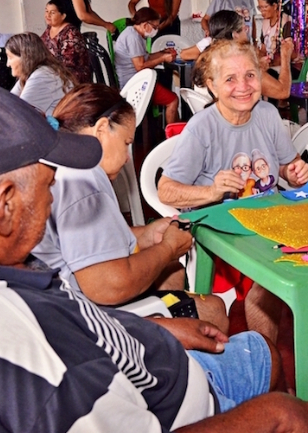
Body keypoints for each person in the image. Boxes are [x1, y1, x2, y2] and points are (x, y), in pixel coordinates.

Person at [0, 75, 308, 433]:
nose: (54, 199)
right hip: (167, 407)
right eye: (48, 185)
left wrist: (151, 329)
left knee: (254, 350)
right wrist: (270, 417)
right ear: (4, 206)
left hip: (141, 357)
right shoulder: (40, 366)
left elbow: (75, 311)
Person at [32, 84, 228, 332]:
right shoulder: (83, 177)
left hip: (51, 300)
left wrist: (145, 234)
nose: (127, 157)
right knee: (214, 309)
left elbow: (87, 242)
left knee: (171, 270)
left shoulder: (62, 158)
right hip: (80, 318)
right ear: (102, 129)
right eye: (126, 143)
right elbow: (108, 286)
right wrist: (168, 248)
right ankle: (165, 348)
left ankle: (167, 344)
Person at [157, 40, 308, 346]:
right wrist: (213, 191)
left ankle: (302, 360)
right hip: (222, 232)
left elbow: (284, 164)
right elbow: (166, 191)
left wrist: (293, 173)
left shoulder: (267, 114)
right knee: (269, 284)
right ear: (212, 87)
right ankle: (268, 368)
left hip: (269, 222)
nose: (243, 86)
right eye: (230, 79)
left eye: (251, 76)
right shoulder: (201, 128)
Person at [184, 10, 294, 100]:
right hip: (238, 123)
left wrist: (258, 67)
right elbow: (283, 92)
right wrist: (285, 56)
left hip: (214, 121)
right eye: (243, 28)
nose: (247, 31)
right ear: (235, 35)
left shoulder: (207, 57)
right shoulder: (242, 63)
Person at [115, 7, 180, 124]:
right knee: (173, 100)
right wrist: (163, 58)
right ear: (145, 25)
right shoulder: (133, 38)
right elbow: (140, 66)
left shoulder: (134, 33)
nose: (156, 30)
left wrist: (162, 52)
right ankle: (173, 138)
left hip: (137, 79)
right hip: (134, 84)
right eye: (155, 27)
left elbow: (146, 57)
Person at [6, 32, 76, 117]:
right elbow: (8, 102)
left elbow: (19, 114)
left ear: (24, 57)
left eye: (10, 57)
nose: (8, 64)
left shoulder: (43, 76)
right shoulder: (33, 74)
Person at [41, 0, 92, 84]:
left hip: (71, 79)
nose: (48, 15)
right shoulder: (50, 29)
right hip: (54, 73)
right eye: (46, 11)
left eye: (52, 13)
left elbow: (68, 65)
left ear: (63, 16)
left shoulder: (71, 34)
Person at [256, 0, 291, 68]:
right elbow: (263, 48)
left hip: (285, 66)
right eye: (260, 7)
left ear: (274, 6)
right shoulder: (265, 22)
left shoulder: (286, 22)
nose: (262, 10)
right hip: (271, 64)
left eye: (265, 7)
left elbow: (289, 52)